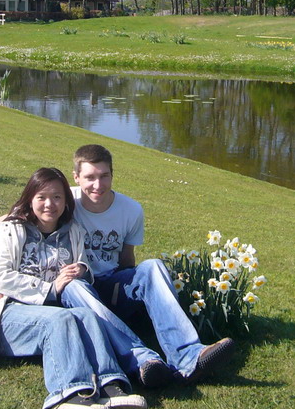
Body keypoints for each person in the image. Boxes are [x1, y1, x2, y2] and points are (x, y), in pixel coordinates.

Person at [0, 167, 147, 409]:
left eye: (57, 197)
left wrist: (82, 269)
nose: (49, 204)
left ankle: (111, 385)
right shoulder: (12, 229)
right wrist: (51, 288)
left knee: (86, 315)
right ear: (30, 198)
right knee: (60, 319)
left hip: (49, 313)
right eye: (42, 197)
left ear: (66, 201)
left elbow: (83, 268)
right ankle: (70, 393)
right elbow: (1, 277)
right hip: (9, 316)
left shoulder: (72, 232)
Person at [59, 144, 234, 386]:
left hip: (111, 285)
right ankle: (144, 361)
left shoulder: (130, 209)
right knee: (73, 286)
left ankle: (188, 356)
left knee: (152, 266)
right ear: (76, 177)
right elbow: (15, 218)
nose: (97, 185)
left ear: (112, 174)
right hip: (79, 288)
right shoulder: (63, 202)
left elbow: (127, 260)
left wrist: (136, 291)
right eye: (89, 177)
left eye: (104, 176)